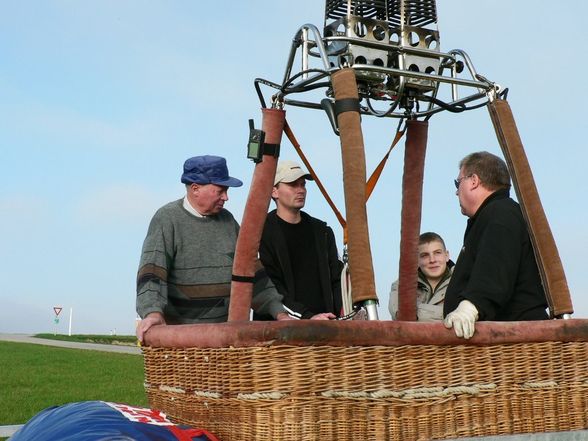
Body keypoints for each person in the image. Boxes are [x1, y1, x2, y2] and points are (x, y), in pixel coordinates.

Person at [136, 155, 292, 341]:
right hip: (182, 341)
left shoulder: (228, 221)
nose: (226, 197)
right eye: (220, 190)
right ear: (195, 189)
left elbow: (252, 274)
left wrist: (279, 313)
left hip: (224, 339)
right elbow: (152, 273)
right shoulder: (167, 219)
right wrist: (153, 313)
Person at [443, 151, 548, 339]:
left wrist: (471, 306)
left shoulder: (501, 215)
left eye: (458, 183)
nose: (456, 191)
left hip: (514, 342)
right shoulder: (493, 215)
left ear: (473, 180)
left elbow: (496, 267)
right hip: (506, 338)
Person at [254, 160, 343, 320]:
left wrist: (339, 315)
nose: (300, 190)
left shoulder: (322, 232)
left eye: (302, 185)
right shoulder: (261, 233)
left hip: (325, 326)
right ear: (274, 191)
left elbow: (337, 279)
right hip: (279, 332)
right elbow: (270, 286)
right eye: (293, 185)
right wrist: (308, 317)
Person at [388, 232, 454, 321]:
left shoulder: (463, 282)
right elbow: (402, 316)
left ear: (446, 256)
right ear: (416, 260)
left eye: (437, 253)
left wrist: (418, 314)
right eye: (425, 255)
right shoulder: (402, 285)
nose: (432, 260)